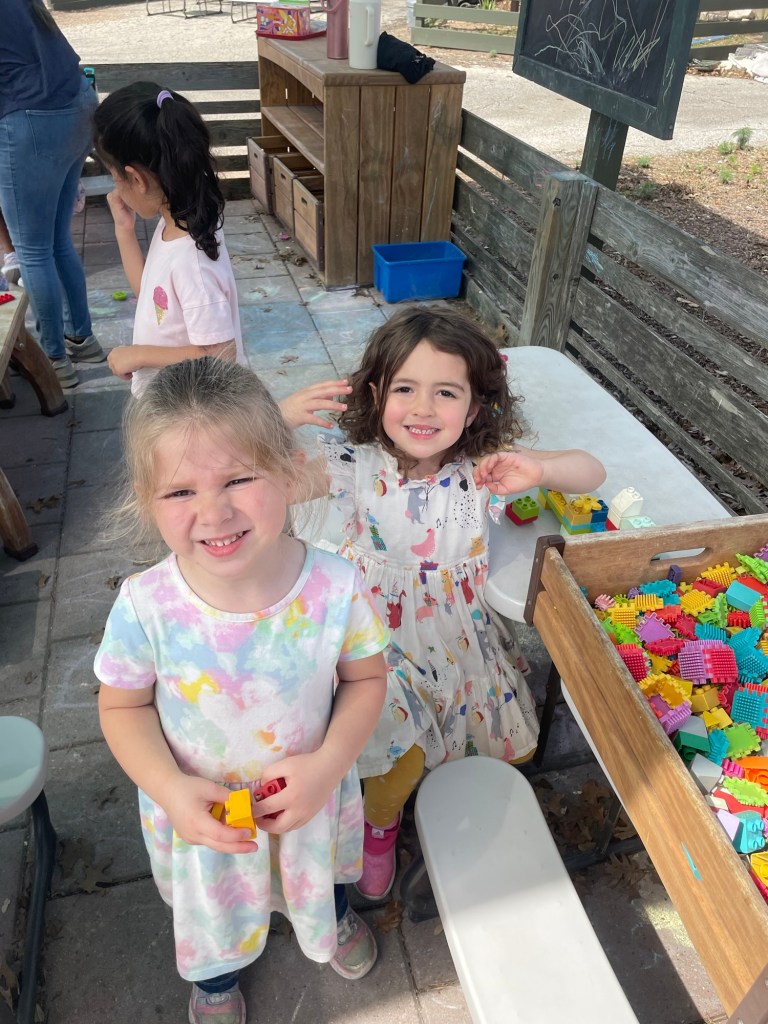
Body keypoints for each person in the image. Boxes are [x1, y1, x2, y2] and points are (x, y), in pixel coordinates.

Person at [94, 357, 390, 1023]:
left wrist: (329, 766)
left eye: (238, 478)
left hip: (309, 794)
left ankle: (330, 918)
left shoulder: (335, 587)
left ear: (288, 471)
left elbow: (366, 678)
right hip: (206, 813)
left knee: (319, 880)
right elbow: (121, 705)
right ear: (147, 500)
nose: (214, 511)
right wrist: (170, 789)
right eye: (180, 491)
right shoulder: (147, 606)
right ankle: (216, 979)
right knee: (214, 912)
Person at [291, 306, 607, 901]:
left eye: (445, 392)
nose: (423, 408)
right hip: (371, 640)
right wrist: (273, 420)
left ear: (476, 406)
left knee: (475, 751)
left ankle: (440, 815)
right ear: (375, 394)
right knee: (393, 752)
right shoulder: (353, 465)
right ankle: (380, 828)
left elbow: (591, 472)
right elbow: (256, 481)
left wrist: (540, 469)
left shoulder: (482, 469)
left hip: (460, 635)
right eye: (404, 388)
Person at [92, 82, 246, 398]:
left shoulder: (192, 261)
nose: (115, 187)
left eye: (114, 177)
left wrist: (140, 354)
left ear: (136, 178)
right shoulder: (177, 224)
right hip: (177, 403)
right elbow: (152, 297)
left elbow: (221, 355)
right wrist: (124, 231)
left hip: (198, 411)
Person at [0, 0, 106, 389]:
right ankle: (82, 339)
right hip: (77, 102)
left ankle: (54, 360)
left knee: (32, 250)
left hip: (32, 118)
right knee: (56, 241)